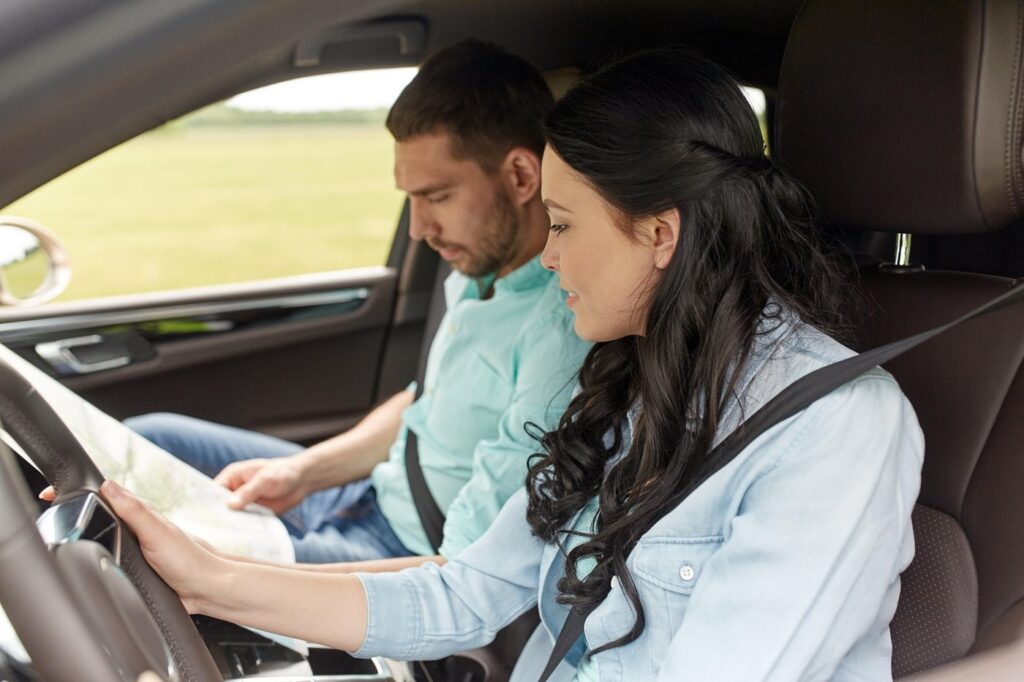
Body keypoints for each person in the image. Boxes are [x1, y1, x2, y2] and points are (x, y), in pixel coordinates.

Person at [106, 48, 923, 680]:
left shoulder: (833, 430)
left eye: (562, 225)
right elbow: (463, 593)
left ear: (658, 234)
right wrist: (211, 580)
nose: (549, 258)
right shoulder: (627, 385)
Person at [119, 40, 591, 566]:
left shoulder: (559, 329)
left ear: (522, 176)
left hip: (402, 552)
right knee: (144, 443)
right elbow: (424, 402)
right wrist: (302, 474)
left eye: (437, 197)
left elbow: (471, 567)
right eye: (410, 198)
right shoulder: (476, 271)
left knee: (161, 552)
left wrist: (239, 571)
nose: (419, 229)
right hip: (371, 490)